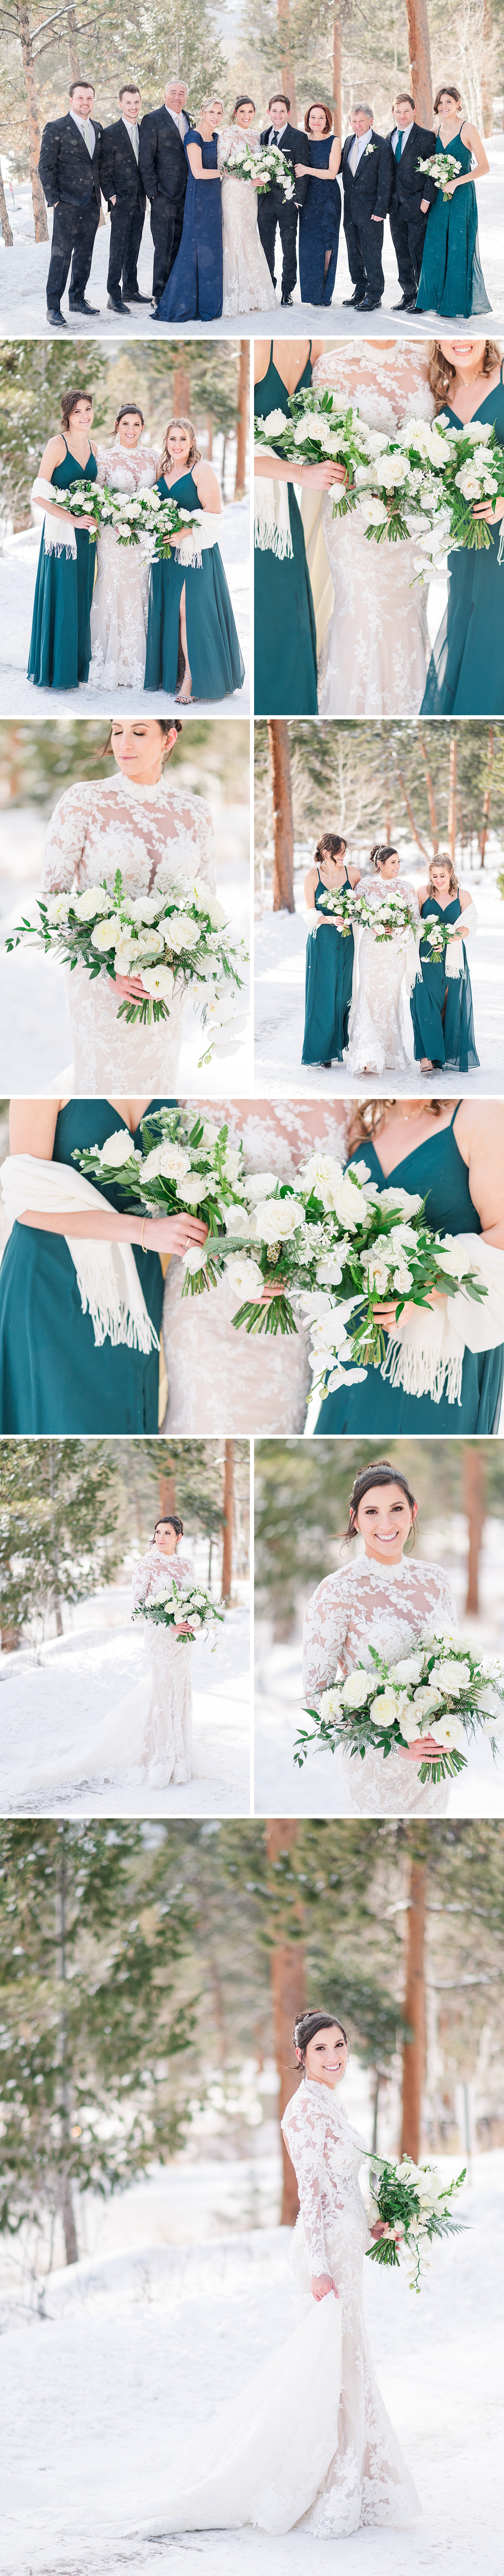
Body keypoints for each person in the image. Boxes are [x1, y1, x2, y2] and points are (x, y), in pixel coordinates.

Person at [134, 2005, 419, 2535]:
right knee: (334, 2364)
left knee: (351, 2361)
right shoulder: (303, 2109)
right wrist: (318, 2268)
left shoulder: (329, 2100)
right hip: (324, 2253)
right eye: (321, 2048)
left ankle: (356, 2475)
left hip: (346, 2243)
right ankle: (323, 2482)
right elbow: (309, 2193)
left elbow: (340, 2187)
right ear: (300, 2055)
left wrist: (378, 2224)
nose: (334, 2056)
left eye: (339, 2045)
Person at [0, 1097, 208, 1435]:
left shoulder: (173, 1075)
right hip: (50, 1281)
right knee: (56, 1422)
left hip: (136, 1278)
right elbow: (24, 1202)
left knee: (123, 1417)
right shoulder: (47, 1078)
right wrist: (143, 1230)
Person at [38, 716, 218, 1086]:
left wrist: (179, 958)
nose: (124, 744)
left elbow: (206, 902)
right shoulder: (83, 800)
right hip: (99, 981)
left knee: (157, 1084)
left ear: (169, 739)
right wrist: (106, 966)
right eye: (117, 731)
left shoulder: (195, 811)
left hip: (166, 982)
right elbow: (52, 898)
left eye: (138, 732)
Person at [312, 1095, 504, 1437]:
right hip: (359, 1337)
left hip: (438, 1357)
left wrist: (417, 1287)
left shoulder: (482, 1112)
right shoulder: (368, 1117)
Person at [161, 1098, 347, 1433]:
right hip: (211, 1303)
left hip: (292, 1317)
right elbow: (174, 1196)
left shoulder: (351, 1104)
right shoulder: (198, 1090)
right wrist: (234, 1260)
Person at [302, 1465, 460, 1816]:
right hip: (375, 1765)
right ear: (355, 1519)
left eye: (396, 1509)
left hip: (433, 1759)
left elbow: (456, 1663)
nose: (385, 1524)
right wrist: (393, 1741)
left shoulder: (436, 1580)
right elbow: (317, 1692)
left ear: (413, 1511)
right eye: (372, 1511)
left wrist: (448, 1718)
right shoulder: (336, 1591)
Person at [7, 1517, 198, 1799]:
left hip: (183, 1640)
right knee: (162, 1689)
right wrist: (168, 1625)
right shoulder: (147, 1564)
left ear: (179, 1537)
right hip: (160, 1637)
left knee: (180, 1689)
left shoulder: (187, 1566)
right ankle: (160, 1758)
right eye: (158, 1532)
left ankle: (180, 1756)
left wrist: (193, 1620)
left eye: (167, 1533)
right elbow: (139, 1606)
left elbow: (193, 1599)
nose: (161, 1537)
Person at [309, 338, 435, 715]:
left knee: (409, 612)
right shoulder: (332, 365)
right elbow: (323, 445)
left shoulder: (429, 358)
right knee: (363, 609)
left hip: (415, 521)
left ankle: (411, 709)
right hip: (355, 519)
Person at [421, 335, 504, 716]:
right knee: (469, 625)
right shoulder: (439, 393)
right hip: (465, 540)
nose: (460, 340)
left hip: (500, 541)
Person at [254, 334, 329, 716]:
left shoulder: (320, 350)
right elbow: (242, 450)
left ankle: (292, 704)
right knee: (266, 612)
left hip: (287, 506)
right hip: (260, 511)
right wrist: (300, 473)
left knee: (291, 614)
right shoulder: (257, 350)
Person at [144, 416, 244, 702]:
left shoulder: (201, 470)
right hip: (167, 555)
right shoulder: (161, 474)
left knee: (189, 612)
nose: (177, 445)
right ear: (166, 442)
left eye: (183, 440)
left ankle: (191, 676)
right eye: (172, 439)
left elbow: (214, 515)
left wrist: (185, 531)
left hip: (196, 554)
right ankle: (175, 671)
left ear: (192, 443)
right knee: (172, 612)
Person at [27, 385, 98, 691]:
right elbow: (39, 495)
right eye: (77, 412)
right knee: (62, 597)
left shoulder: (95, 448)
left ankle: (75, 670)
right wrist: (72, 518)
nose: (84, 416)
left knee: (81, 597)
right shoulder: (57, 445)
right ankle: (56, 670)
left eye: (88, 410)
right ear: (67, 417)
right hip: (60, 536)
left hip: (86, 536)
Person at [88, 400, 160, 690]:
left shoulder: (154, 458)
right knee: (112, 588)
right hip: (112, 536)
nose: (131, 429)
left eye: (136, 424)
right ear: (117, 426)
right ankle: (108, 661)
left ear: (143, 428)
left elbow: (159, 495)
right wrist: (113, 519)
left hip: (142, 539)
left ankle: (138, 663)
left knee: (139, 591)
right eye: (126, 424)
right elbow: (98, 498)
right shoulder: (104, 458)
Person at [415, 82, 490, 318]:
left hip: (462, 196)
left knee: (458, 246)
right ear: (437, 107)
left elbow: (484, 167)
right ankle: (435, 300)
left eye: (450, 102)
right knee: (437, 245)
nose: (445, 106)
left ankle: (454, 304)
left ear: (458, 104)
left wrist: (456, 182)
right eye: (441, 103)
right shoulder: (435, 132)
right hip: (440, 197)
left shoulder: (468, 129)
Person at [345, 844, 420, 1075]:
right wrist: (374, 924)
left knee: (389, 997)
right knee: (368, 993)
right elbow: (355, 912)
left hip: (394, 953)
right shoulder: (366, 885)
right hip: (371, 950)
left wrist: (400, 929)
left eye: (399, 862)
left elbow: (415, 919)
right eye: (393, 863)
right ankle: (366, 1054)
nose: (398, 867)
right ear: (380, 864)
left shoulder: (407, 888)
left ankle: (389, 1052)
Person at [39, 76, 103, 328]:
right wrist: (54, 199)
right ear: (71, 100)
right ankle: (53, 307)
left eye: (89, 98)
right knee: (61, 256)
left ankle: (77, 299)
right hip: (66, 203)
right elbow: (45, 167)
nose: (85, 102)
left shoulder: (98, 128)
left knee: (85, 254)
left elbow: (96, 166)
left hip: (91, 203)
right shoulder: (56, 128)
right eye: (80, 98)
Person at [152, 98, 224, 323]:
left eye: (219, 113)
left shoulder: (217, 138)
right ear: (203, 113)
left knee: (212, 248)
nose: (215, 116)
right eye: (211, 112)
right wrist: (227, 173)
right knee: (195, 248)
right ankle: (186, 303)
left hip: (215, 198)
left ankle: (209, 304)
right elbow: (198, 172)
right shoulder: (192, 137)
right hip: (199, 197)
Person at [410, 853, 479, 1074]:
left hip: (453, 958)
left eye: (442, 875)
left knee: (447, 1005)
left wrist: (447, 938)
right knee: (424, 1002)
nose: (439, 880)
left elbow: (471, 927)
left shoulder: (463, 896)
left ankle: (441, 1054)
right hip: (424, 957)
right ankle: (425, 1058)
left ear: (451, 873)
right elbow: (412, 922)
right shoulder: (422, 893)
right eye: (434, 876)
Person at [302, 834, 361, 1066]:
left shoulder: (353, 874)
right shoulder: (312, 876)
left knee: (344, 994)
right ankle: (322, 1050)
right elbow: (309, 914)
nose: (345, 856)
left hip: (347, 940)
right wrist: (330, 920)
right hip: (322, 940)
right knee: (322, 993)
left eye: (345, 851)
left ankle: (339, 1045)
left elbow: (362, 905)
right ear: (327, 853)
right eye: (340, 852)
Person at [217, 97, 274, 315]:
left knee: (250, 236)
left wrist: (262, 175)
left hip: (251, 196)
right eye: (243, 112)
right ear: (235, 113)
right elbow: (221, 168)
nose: (247, 116)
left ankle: (253, 292)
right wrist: (246, 180)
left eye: (251, 112)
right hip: (233, 192)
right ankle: (234, 294)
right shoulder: (228, 135)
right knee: (234, 236)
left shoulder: (256, 136)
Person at [139, 76, 192, 307]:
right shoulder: (152, 120)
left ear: (186, 98)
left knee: (180, 243)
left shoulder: (189, 119)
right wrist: (153, 193)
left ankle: (176, 288)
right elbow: (146, 160)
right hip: (163, 195)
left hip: (187, 194)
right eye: (173, 93)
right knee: (163, 245)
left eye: (182, 94)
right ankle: (159, 293)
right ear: (165, 96)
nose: (177, 97)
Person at [100, 82, 150, 313]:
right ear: (120, 104)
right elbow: (104, 170)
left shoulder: (145, 131)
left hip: (141, 200)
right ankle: (114, 295)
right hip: (119, 201)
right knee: (118, 249)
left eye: (137, 102)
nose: (133, 107)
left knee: (134, 246)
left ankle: (131, 289)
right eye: (128, 103)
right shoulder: (110, 133)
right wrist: (112, 197)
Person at [340, 103, 393, 312]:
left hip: (372, 212)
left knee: (372, 254)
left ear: (371, 121)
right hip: (350, 209)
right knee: (354, 252)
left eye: (362, 121)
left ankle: (375, 294)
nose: (358, 125)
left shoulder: (382, 146)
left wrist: (380, 210)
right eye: (354, 121)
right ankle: (360, 289)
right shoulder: (349, 141)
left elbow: (386, 182)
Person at [257, 90, 308, 306]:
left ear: (289, 113)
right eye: (274, 111)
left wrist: (298, 199)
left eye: (282, 111)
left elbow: (302, 172)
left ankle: (287, 291)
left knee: (289, 247)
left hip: (288, 203)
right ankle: (270, 287)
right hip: (264, 203)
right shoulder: (262, 137)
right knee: (266, 246)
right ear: (269, 112)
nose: (278, 115)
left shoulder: (299, 138)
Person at [387, 87, 436, 310]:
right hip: (395, 207)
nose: (403, 116)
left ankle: (424, 297)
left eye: (407, 111)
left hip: (417, 205)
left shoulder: (426, 137)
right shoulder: (388, 138)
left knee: (419, 253)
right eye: (399, 112)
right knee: (402, 252)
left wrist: (426, 201)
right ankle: (408, 294)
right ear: (393, 113)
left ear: (414, 111)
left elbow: (433, 172)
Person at [295, 101, 342, 307]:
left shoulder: (334, 141)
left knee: (327, 245)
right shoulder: (301, 141)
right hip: (307, 198)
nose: (317, 121)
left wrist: (308, 170)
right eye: (313, 117)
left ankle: (325, 293)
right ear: (308, 120)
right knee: (308, 246)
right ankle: (313, 294)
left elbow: (332, 173)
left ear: (327, 121)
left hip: (328, 198)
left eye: (321, 118)